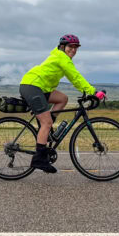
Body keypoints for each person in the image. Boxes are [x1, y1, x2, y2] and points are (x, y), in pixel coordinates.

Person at [19, 34, 105, 173]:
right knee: (46, 123)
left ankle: (46, 132)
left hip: (41, 88)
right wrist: (93, 92)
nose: (73, 50)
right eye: (70, 46)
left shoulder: (61, 57)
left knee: (63, 99)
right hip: (32, 86)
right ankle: (39, 159)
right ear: (62, 47)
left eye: (76, 47)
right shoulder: (62, 58)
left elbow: (74, 78)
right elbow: (75, 77)